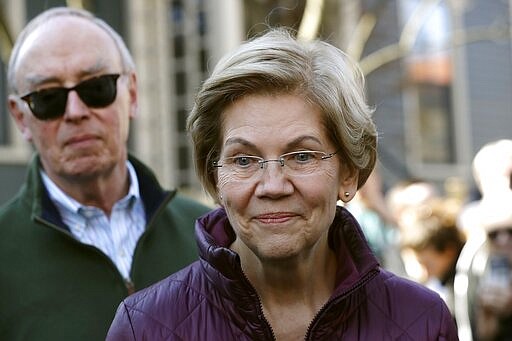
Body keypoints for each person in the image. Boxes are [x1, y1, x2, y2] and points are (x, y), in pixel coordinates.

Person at [107, 28, 458, 340]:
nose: (272, 186)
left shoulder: (421, 322)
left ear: (349, 173)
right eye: (244, 160)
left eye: (302, 156)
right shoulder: (146, 327)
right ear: (215, 178)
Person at [0, 7, 210, 340]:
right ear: (21, 117)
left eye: (97, 88)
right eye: (48, 98)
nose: (75, 112)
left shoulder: (211, 237)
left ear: (132, 92)